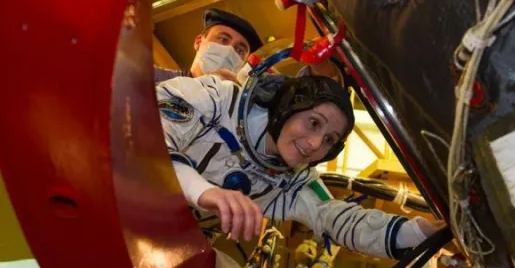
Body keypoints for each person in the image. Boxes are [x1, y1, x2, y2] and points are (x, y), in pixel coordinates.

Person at [158, 70, 442, 255]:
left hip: (176, 249)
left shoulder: (293, 180)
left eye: (329, 140)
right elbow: (148, 135)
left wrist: (419, 232)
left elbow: (337, 219)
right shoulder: (218, 101)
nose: (316, 144)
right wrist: (204, 192)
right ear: (286, 108)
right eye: (314, 123)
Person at [154, 8, 263, 84]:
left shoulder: (239, 107)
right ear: (198, 41)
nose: (230, 50)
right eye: (223, 39)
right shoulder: (153, 80)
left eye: (240, 50)